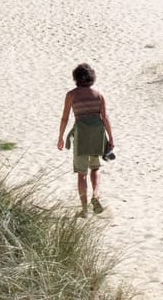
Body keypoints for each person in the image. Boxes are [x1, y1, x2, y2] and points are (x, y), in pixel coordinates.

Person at [57, 63, 114, 217]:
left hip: (81, 133)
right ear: (92, 77)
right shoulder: (99, 94)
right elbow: (105, 117)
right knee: (95, 168)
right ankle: (95, 196)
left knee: (81, 173)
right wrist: (111, 138)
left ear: (75, 77)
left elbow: (65, 118)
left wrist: (61, 137)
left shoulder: (71, 95)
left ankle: (84, 210)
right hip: (97, 133)